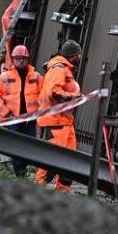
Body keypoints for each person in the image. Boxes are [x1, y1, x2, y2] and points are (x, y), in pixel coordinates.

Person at [34, 40, 82, 192]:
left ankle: (61, 194)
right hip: (56, 124)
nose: (80, 57)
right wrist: (75, 96)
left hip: (65, 123)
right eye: (78, 54)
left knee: (69, 163)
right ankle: (36, 190)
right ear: (73, 55)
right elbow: (54, 92)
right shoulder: (59, 69)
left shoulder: (64, 70)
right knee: (51, 162)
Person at [0, 44, 43, 177]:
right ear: (13, 60)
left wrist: (41, 112)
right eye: (18, 58)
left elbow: (44, 94)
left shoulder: (36, 76)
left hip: (31, 119)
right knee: (15, 146)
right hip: (13, 118)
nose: (21, 61)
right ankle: (19, 172)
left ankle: (23, 168)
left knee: (30, 145)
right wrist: (6, 112)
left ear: (27, 60)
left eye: (23, 59)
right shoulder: (4, 77)